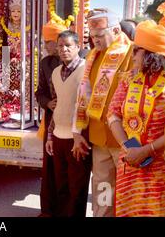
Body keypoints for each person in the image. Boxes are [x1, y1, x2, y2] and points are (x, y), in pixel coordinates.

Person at [108, 20, 165, 216]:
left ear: (152, 55)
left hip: (162, 170)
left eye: (136, 51)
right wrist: (128, 147)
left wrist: (147, 149)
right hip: (131, 164)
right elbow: (113, 114)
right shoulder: (128, 79)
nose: (131, 56)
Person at [74, 9, 133, 217]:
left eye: (99, 36)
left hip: (126, 141)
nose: (94, 41)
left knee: (128, 193)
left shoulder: (133, 54)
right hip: (99, 139)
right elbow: (83, 95)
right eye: (91, 36)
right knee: (103, 191)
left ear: (116, 30)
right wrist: (77, 131)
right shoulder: (92, 56)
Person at [46, 30, 91, 217]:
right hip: (58, 137)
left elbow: (86, 105)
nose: (63, 49)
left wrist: (79, 135)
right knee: (61, 186)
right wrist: (50, 136)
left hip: (77, 139)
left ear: (78, 47)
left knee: (77, 188)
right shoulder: (56, 72)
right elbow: (57, 105)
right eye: (60, 46)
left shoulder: (86, 70)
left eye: (68, 46)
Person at [35, 20, 65, 217]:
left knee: (66, 169)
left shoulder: (78, 61)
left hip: (71, 122)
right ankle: (47, 211)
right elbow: (40, 92)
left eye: (48, 42)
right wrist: (47, 103)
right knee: (49, 167)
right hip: (52, 118)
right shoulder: (45, 63)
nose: (46, 46)